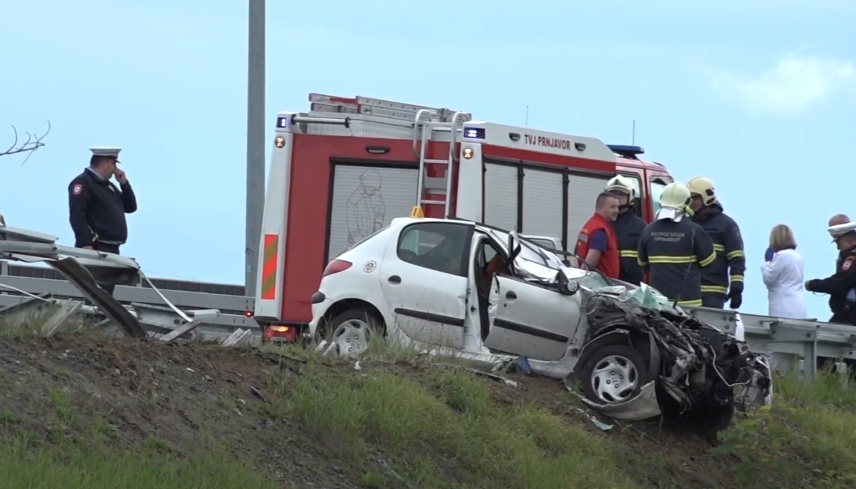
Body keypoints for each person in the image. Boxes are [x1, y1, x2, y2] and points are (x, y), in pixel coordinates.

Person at [68, 146, 138, 295]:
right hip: (96, 247)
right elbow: (77, 216)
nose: (116, 169)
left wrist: (124, 184)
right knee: (95, 293)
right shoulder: (83, 183)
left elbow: (130, 207)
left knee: (106, 294)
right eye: (114, 164)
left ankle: (99, 318)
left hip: (112, 248)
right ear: (105, 163)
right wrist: (86, 243)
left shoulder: (109, 186)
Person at [636, 182, 716, 307]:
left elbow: (642, 263)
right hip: (689, 303)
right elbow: (708, 261)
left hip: (658, 303)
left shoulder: (648, 230)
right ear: (686, 202)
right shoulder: (695, 230)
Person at [686, 176, 746, 310]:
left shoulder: (727, 225)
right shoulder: (687, 224)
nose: (692, 202)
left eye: (695, 198)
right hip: (689, 290)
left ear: (707, 198)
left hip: (714, 291)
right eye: (689, 198)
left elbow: (736, 258)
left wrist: (737, 287)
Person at [804, 215, 856, 326]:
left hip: (850, 316)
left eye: (837, 242)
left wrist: (813, 285)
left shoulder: (852, 258)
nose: (838, 248)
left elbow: (839, 283)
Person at [604, 175, 646, 285]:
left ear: (630, 196)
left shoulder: (640, 227)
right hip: (604, 285)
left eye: (621, 194)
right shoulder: (600, 224)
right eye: (613, 194)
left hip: (632, 287)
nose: (617, 198)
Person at [761, 224, 807, 318]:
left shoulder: (781, 256)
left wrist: (767, 263)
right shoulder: (797, 256)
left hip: (783, 306)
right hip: (798, 304)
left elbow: (768, 278)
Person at [573, 192, 620, 279]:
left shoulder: (590, 225)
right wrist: (580, 279)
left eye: (617, 207)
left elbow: (576, 255)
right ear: (601, 207)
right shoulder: (599, 230)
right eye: (612, 207)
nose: (617, 210)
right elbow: (589, 264)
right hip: (601, 285)